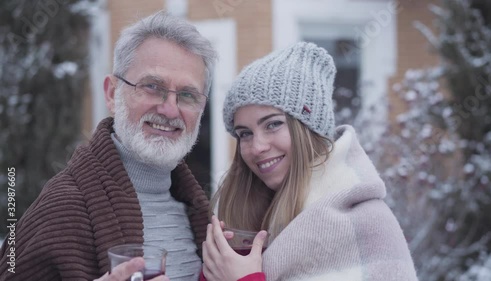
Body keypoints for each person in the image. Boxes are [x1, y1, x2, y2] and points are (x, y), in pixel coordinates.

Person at [0, 11, 217, 281]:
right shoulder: (62, 210)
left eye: (187, 95)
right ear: (112, 94)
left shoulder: (201, 215)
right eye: (152, 86)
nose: (170, 110)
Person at [201, 42, 418, 281]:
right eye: (245, 133)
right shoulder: (246, 216)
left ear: (308, 129)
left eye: (273, 124)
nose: (257, 147)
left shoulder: (366, 224)